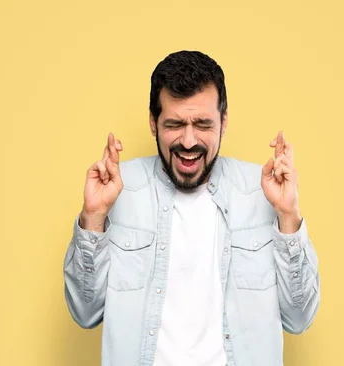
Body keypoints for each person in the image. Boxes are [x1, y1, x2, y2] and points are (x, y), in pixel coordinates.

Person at [63, 50, 320, 366]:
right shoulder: (117, 187)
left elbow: (299, 317)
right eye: (174, 123)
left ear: (223, 122)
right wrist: (93, 217)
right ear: (153, 123)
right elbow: (85, 313)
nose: (188, 141)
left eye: (202, 124)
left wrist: (288, 217)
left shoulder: (263, 189)